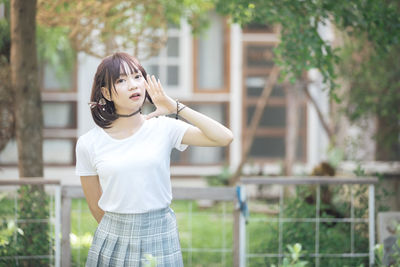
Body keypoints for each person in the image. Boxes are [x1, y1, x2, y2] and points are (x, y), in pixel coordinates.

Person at [75, 52, 234, 266]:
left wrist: (175, 107)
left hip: (160, 235)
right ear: (106, 93)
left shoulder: (164, 128)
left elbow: (224, 137)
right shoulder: (88, 143)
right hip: (113, 237)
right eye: (121, 80)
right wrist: (123, 232)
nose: (133, 85)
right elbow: (95, 206)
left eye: (137, 77)